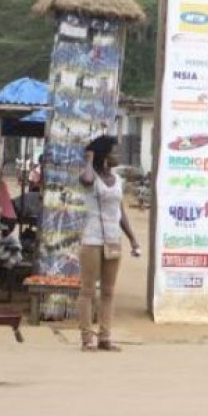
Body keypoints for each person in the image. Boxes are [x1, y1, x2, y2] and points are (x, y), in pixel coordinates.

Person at [78, 136, 141, 352]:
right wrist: (89, 160)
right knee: (87, 291)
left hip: (113, 239)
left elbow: (120, 212)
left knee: (108, 291)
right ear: (104, 155)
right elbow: (86, 180)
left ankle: (105, 337)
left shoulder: (118, 180)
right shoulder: (90, 176)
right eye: (114, 152)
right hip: (93, 239)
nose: (118, 156)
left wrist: (132, 238)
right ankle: (87, 338)